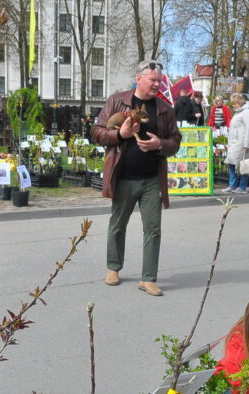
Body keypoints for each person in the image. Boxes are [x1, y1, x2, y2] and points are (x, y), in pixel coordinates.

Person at [92, 61, 181, 297]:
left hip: (152, 179)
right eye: (152, 80)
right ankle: (113, 267)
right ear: (139, 78)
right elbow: (97, 132)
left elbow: (175, 141)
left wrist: (160, 144)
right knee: (117, 224)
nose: (157, 84)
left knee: (153, 229)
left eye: (159, 80)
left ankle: (148, 279)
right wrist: (119, 134)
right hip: (124, 177)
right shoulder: (117, 101)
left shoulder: (165, 109)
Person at [223, 93, 249, 195]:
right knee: (231, 163)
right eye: (233, 103)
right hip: (234, 142)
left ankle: (242, 186)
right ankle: (232, 185)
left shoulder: (247, 112)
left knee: (243, 164)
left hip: (241, 142)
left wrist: (247, 144)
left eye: (235, 103)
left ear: (240, 102)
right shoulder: (238, 112)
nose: (234, 105)